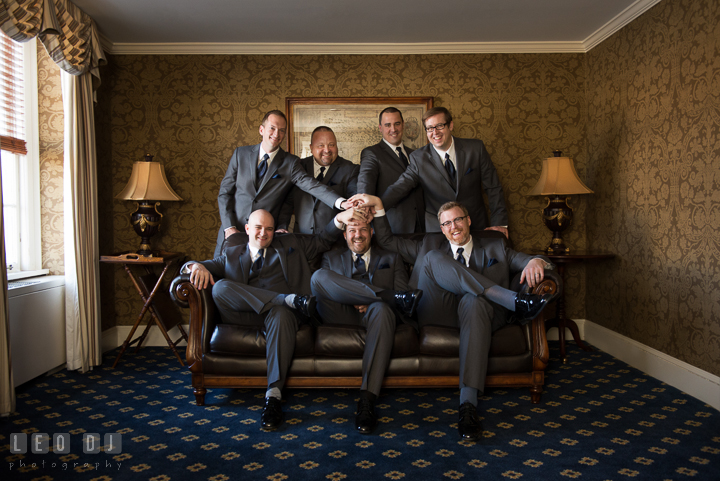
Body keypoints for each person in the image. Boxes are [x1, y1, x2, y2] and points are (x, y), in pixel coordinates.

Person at [351, 194, 552, 441]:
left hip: (479, 315)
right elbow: (388, 240)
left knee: (473, 299)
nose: (453, 227)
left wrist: (535, 261)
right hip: (438, 312)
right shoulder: (428, 245)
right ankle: (512, 300)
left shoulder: (495, 247)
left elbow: (534, 261)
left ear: (468, 221)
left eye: (457, 220)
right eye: (446, 223)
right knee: (434, 258)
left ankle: (468, 407)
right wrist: (379, 209)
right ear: (442, 229)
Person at [187, 207, 369, 431]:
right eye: (258, 228)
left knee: (281, 313)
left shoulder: (290, 245)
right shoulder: (232, 253)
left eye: (269, 229)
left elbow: (323, 239)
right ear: (247, 229)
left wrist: (339, 219)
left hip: (281, 316)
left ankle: (273, 398)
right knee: (221, 288)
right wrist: (195, 266)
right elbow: (194, 266)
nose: (263, 233)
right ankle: (287, 299)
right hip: (245, 317)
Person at [310, 218, 422, 435]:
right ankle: (379, 296)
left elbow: (403, 301)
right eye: (352, 230)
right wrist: (364, 296)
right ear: (344, 234)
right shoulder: (329, 258)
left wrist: (373, 302)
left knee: (383, 309)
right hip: (340, 313)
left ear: (372, 232)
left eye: (363, 230)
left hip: (377, 314)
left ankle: (367, 399)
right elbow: (324, 290)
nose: (357, 235)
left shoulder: (392, 258)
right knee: (318, 277)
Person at [215, 110, 353, 256]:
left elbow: (312, 185)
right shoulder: (240, 154)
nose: (277, 134)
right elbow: (225, 193)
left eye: (282, 130)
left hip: (265, 238)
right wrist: (229, 227)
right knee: (221, 275)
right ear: (262, 130)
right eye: (272, 128)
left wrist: (340, 202)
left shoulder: (290, 163)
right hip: (232, 233)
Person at [370, 106, 509, 235]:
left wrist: (500, 224)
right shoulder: (418, 158)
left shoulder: (475, 149)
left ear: (451, 125)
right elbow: (399, 187)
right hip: (438, 230)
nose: (435, 132)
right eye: (430, 128)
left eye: (440, 126)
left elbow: (493, 188)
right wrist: (374, 207)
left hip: (475, 225)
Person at [277, 126, 359, 234]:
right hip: (301, 239)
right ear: (311, 148)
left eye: (331, 145)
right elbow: (287, 202)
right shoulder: (298, 167)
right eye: (321, 145)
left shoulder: (350, 169)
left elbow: (353, 206)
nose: (327, 150)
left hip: (335, 242)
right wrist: (282, 226)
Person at [358, 107, 425, 233]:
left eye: (397, 124)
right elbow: (365, 181)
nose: (393, 129)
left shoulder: (416, 154)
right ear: (380, 128)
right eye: (388, 125)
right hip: (392, 227)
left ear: (403, 125)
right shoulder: (372, 153)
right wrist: (364, 207)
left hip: (421, 226)